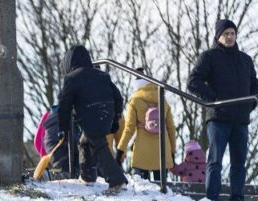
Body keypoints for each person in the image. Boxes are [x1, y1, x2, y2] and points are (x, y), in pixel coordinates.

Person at [187, 19, 258, 201]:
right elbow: (193, 82)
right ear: (218, 36)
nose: (229, 37)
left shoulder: (245, 59)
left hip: (241, 120)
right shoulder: (209, 57)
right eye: (226, 33)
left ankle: (237, 199)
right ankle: (211, 200)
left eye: (232, 33)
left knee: (239, 164)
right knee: (215, 161)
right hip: (218, 118)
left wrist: (249, 105)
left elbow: (255, 87)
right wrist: (213, 99)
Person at [57, 45, 128, 192]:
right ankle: (87, 175)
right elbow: (118, 97)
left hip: (90, 116)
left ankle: (117, 180)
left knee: (99, 145)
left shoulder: (71, 78)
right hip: (106, 114)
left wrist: (63, 129)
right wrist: (115, 119)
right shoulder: (102, 75)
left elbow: (64, 106)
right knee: (84, 142)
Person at [116, 76, 177, 181]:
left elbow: (129, 129)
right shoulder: (163, 99)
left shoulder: (134, 100)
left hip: (142, 152)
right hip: (162, 151)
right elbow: (171, 128)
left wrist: (120, 150)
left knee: (142, 189)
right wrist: (172, 151)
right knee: (162, 189)